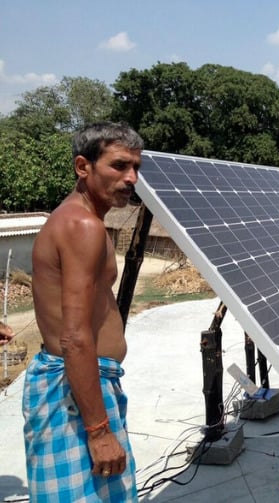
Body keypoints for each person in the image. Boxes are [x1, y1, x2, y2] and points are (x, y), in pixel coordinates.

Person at [23, 122, 143, 502]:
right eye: (119, 166)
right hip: (74, 390)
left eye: (136, 168)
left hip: (83, 383)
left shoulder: (80, 219)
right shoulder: (82, 226)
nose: (131, 178)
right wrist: (98, 430)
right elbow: (74, 336)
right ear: (82, 167)